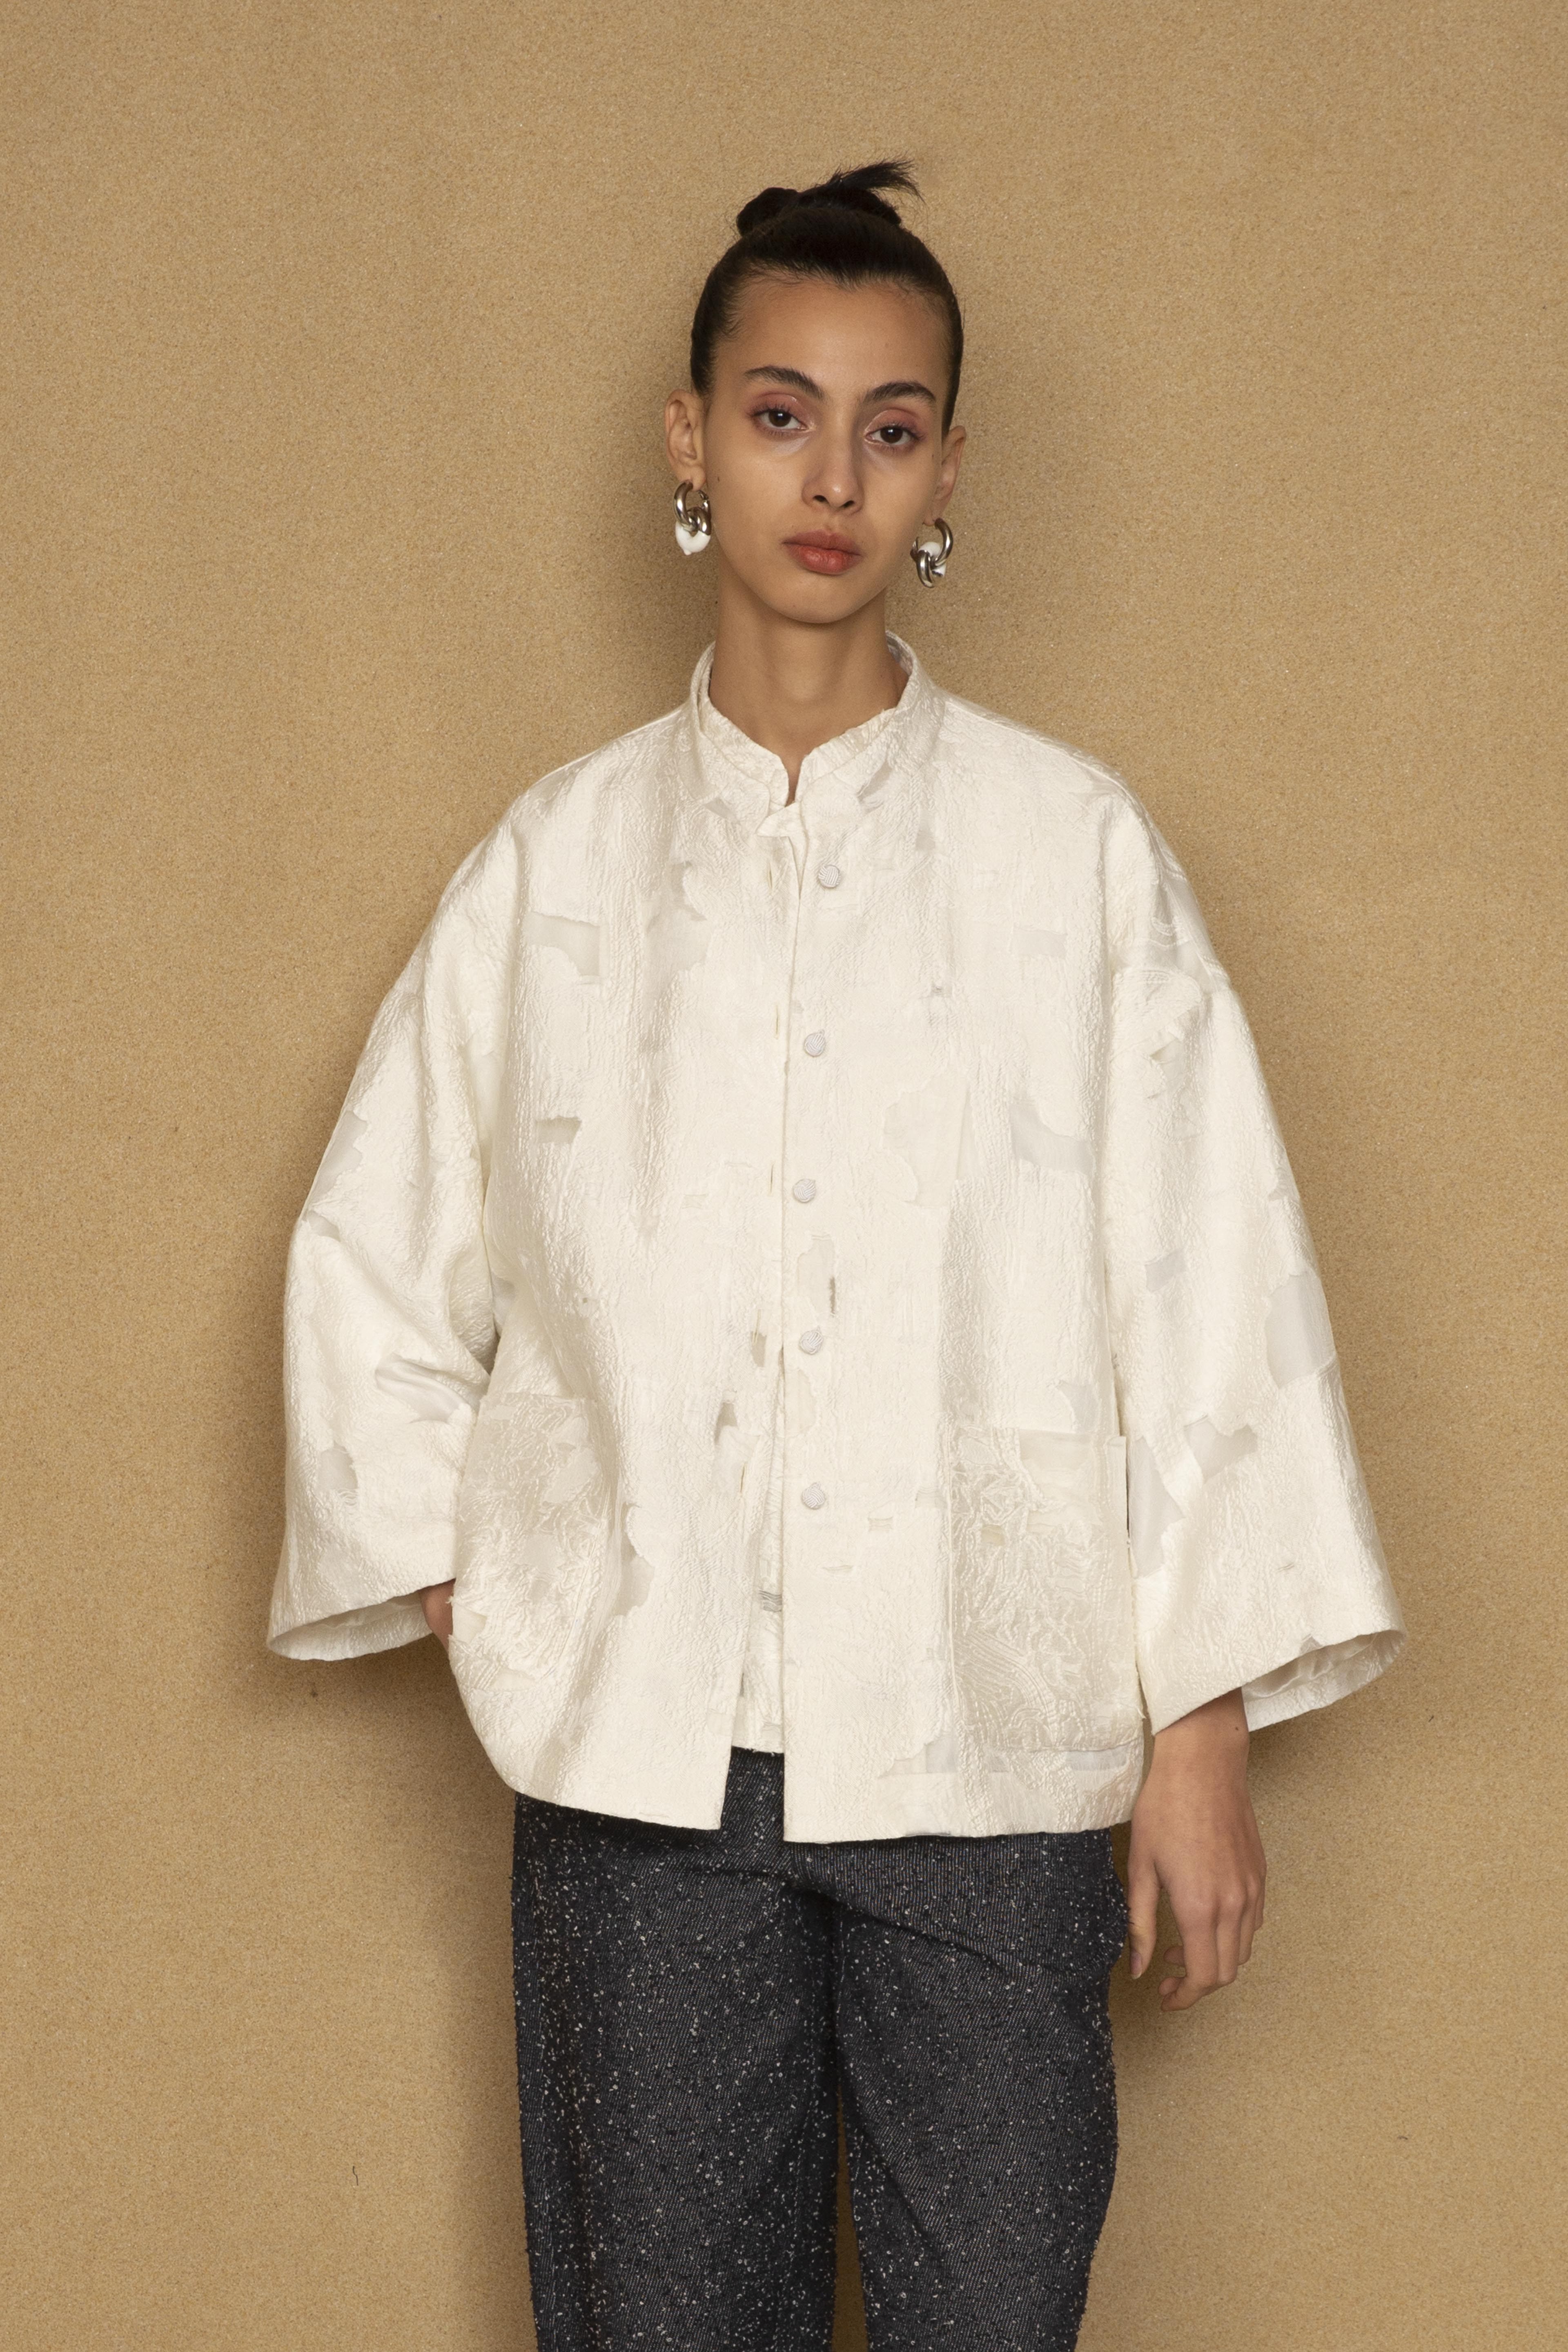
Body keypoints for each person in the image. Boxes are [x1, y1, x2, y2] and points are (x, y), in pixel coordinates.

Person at [269, 163, 1405, 2352]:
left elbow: (1209, 1282)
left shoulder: (1072, 858)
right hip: (640, 1779)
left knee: (996, 2313)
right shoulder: (557, 868)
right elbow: (373, 1262)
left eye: (890, 429)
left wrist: (1200, 1734)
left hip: (994, 1743)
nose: (832, 477)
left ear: (948, 470)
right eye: (781, 414)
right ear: (691, 439)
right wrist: (502, 1590)